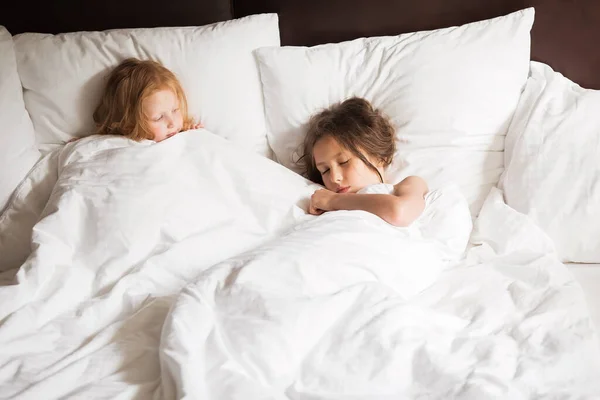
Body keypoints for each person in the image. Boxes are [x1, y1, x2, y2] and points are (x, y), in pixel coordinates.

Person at [300, 97, 428, 227]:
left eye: (344, 162)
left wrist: (334, 200)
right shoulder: (323, 200)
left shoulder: (408, 185)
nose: (334, 178)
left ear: (379, 156)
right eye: (325, 170)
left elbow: (399, 212)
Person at [92, 57, 201, 142]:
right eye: (159, 118)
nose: (172, 123)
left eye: (175, 110)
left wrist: (192, 131)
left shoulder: (184, 132)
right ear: (129, 125)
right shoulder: (110, 143)